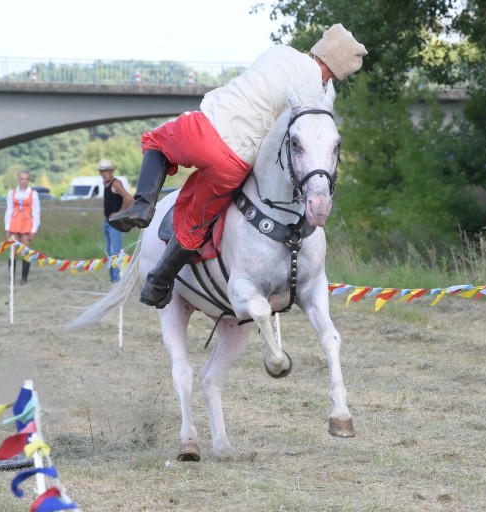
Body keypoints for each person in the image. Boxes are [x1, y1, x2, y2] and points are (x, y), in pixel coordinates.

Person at [108, 24, 367, 307]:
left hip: (207, 129)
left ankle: (144, 204)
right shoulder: (314, 96)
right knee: (195, 224)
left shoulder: (278, 53)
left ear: (319, 49)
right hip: (236, 163)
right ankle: (158, 284)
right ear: (335, 73)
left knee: (156, 141)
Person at [98, 159, 134, 283]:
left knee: (115, 251)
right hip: (107, 221)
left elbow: (128, 198)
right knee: (109, 251)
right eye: (102, 171)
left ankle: (117, 279)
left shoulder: (115, 183)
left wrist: (119, 213)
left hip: (114, 223)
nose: (104, 173)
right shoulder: (105, 184)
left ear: (112, 171)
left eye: (106, 170)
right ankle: (113, 278)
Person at [4, 170, 40, 284]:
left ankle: (24, 279)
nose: (24, 181)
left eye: (26, 179)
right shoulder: (12, 193)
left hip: (27, 224)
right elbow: (8, 210)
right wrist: (7, 227)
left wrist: (34, 229)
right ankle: (11, 279)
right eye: (22, 179)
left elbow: (36, 212)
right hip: (14, 223)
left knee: (26, 251)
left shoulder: (33, 193)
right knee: (13, 251)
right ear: (18, 179)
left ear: (29, 180)